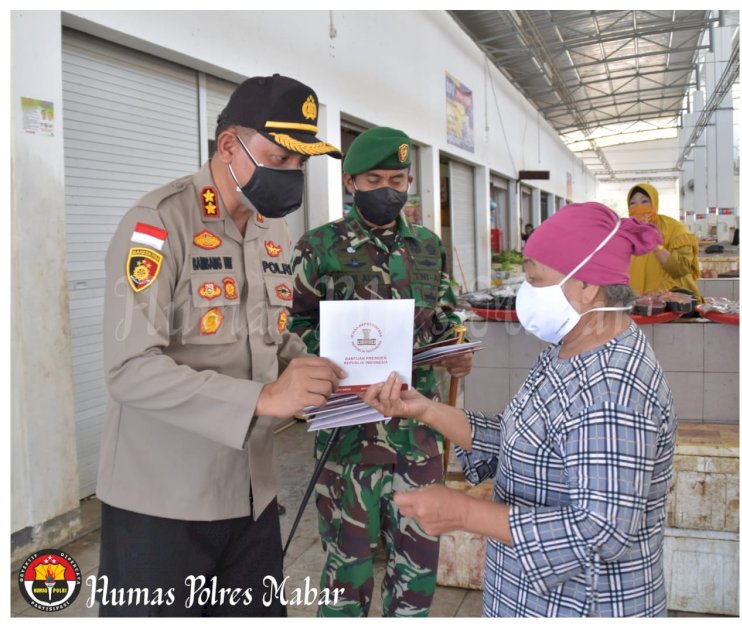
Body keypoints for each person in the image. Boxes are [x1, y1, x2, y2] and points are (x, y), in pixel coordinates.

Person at [97, 74, 346, 617]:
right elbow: (129, 369)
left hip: (251, 497)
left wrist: (318, 369)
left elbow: (269, 335)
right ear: (229, 145)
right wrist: (262, 399)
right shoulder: (159, 223)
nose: (292, 176)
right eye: (280, 158)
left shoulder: (269, 231)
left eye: (301, 164)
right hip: (163, 503)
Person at [363, 201, 677, 617]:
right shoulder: (569, 349)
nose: (525, 293)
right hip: (531, 600)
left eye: (536, 280)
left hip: (580, 606)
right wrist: (425, 410)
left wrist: (465, 512)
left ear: (587, 286)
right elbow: (522, 438)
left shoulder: (612, 388)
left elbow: (600, 531)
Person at [289, 126, 472, 617]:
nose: (388, 189)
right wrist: (328, 357)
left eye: (397, 178)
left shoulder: (429, 247)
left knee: (416, 574)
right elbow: (293, 326)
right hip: (347, 438)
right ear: (351, 183)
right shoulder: (319, 247)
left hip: (417, 438)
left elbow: (445, 317)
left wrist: (455, 348)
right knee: (345, 575)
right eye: (374, 179)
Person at [627, 183, 701, 300]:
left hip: (673, 300)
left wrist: (656, 245)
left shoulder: (675, 228)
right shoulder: (627, 232)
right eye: (633, 203)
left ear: (654, 203)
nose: (638, 207)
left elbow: (681, 269)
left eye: (645, 201)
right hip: (639, 302)